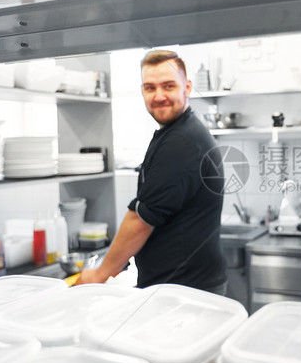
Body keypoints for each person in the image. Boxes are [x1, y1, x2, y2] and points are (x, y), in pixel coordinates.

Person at [76, 50, 226, 293]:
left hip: (185, 290)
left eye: (168, 86)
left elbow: (141, 219)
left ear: (186, 88)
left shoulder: (182, 142)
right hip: (181, 285)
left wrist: (101, 273)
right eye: (150, 88)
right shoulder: (177, 133)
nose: (159, 96)